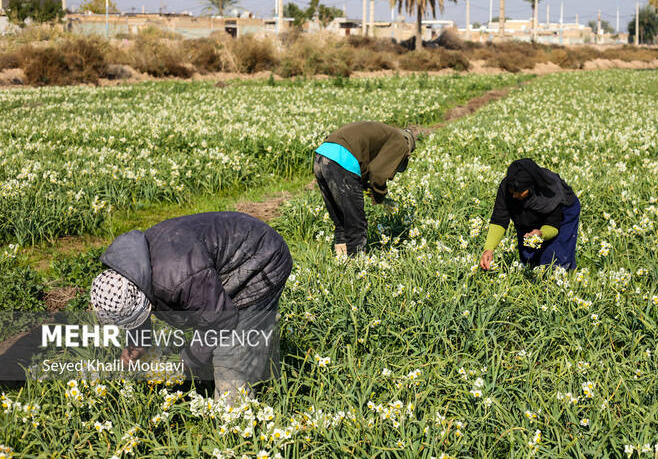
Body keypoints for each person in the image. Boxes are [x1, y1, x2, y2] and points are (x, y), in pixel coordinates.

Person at [90, 211, 292, 403]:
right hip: (224, 256)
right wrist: (138, 341)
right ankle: (254, 378)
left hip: (261, 258)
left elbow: (220, 320)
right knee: (211, 344)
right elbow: (137, 304)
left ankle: (234, 422)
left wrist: (186, 362)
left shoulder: (177, 277)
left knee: (230, 356)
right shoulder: (132, 270)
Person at [313, 121, 416, 257]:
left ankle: (341, 263)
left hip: (322, 156)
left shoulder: (384, 133)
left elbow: (365, 166)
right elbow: (377, 174)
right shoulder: (400, 142)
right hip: (342, 159)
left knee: (341, 220)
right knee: (356, 224)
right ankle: (356, 266)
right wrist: (380, 196)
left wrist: (368, 188)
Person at [480, 159, 580, 271]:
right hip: (528, 214)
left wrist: (541, 234)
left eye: (519, 192)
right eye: (512, 192)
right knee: (530, 259)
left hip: (563, 213)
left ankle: (564, 277)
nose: (514, 196)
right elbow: (499, 219)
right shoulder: (509, 186)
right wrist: (489, 249)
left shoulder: (550, 194)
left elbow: (552, 224)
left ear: (531, 187)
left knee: (555, 260)